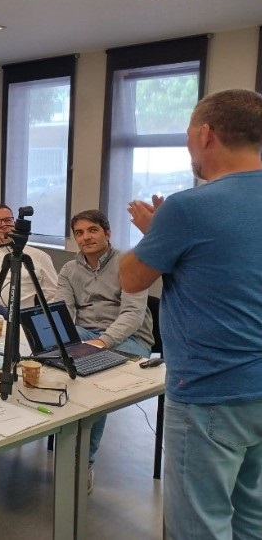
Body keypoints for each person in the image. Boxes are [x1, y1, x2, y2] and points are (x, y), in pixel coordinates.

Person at [120, 88, 262, 539]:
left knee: (199, 526)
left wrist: (155, 231)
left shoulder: (188, 207)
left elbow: (131, 278)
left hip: (209, 392)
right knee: (252, 517)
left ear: (205, 134)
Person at [57, 209, 153, 491]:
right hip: (86, 334)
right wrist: (63, 341)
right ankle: (62, 438)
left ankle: (82, 463)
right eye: (79, 233)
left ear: (107, 233)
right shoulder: (69, 270)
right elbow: (63, 313)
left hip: (130, 339)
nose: (86, 237)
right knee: (51, 357)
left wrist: (102, 342)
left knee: (94, 386)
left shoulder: (128, 263)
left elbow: (133, 315)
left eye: (93, 230)